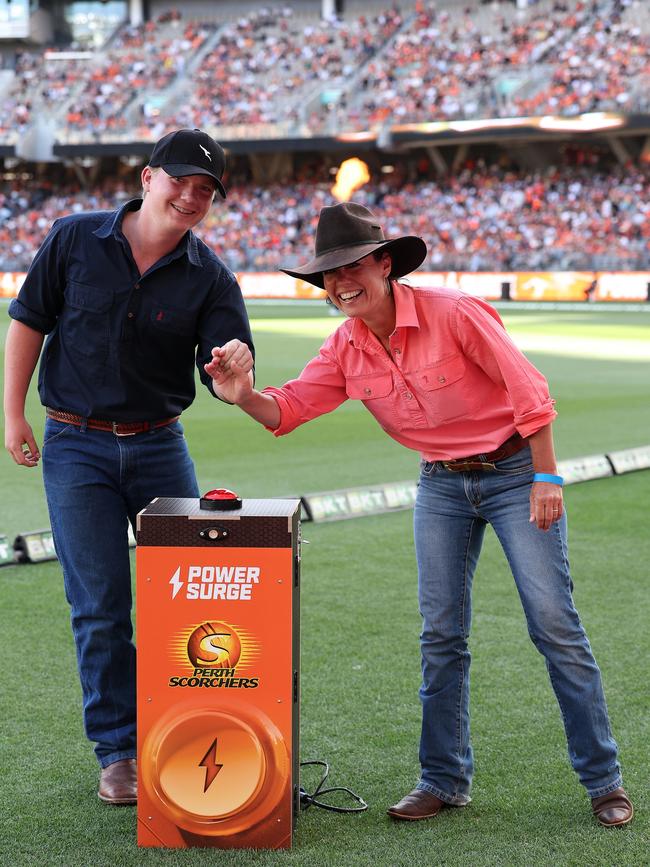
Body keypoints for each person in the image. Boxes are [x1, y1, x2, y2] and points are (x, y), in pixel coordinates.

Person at [205, 202, 633, 828]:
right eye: (328, 275)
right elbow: (287, 410)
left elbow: (528, 390)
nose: (340, 283)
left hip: (516, 474)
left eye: (351, 266)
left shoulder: (453, 312)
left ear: (384, 263)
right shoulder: (344, 345)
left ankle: (603, 783)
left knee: (554, 626)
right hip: (441, 485)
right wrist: (241, 395)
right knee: (441, 634)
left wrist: (546, 475)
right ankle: (442, 779)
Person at [3, 128, 254, 806]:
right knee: (101, 606)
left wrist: (234, 370)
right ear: (148, 178)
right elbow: (28, 320)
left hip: (158, 445)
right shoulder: (74, 238)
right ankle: (117, 751)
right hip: (74, 443)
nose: (192, 196)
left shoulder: (211, 275)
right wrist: (13, 413)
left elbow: (229, 358)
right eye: (181, 181)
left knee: (191, 601)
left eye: (206, 190)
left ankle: (186, 733)